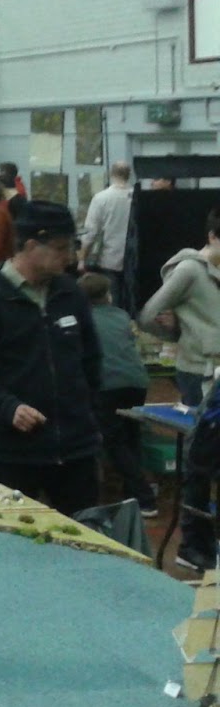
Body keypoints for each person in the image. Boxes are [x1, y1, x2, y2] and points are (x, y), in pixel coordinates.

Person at [0, 201, 102, 518]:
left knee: (87, 535)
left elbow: (91, 362)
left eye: (72, 247)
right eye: (61, 248)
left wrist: (86, 415)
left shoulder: (71, 295)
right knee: (13, 537)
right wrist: (8, 408)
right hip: (12, 453)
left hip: (76, 450)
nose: (70, 257)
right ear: (31, 246)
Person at [137, 206, 220, 570]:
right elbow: (148, 314)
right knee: (200, 462)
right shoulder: (188, 270)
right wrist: (177, 335)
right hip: (199, 374)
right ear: (212, 236)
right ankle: (191, 544)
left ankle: (207, 539)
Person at [80, 273, 158, 517]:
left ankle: (144, 497)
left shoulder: (82, 319)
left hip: (107, 384)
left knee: (114, 442)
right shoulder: (122, 316)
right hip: (136, 382)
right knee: (132, 436)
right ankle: (133, 495)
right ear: (108, 295)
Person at [79, 161, 134, 306]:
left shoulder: (101, 198)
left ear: (111, 174)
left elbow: (91, 232)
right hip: (134, 260)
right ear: (129, 175)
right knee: (132, 302)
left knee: (112, 301)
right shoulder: (136, 198)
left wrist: (82, 260)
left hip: (109, 260)